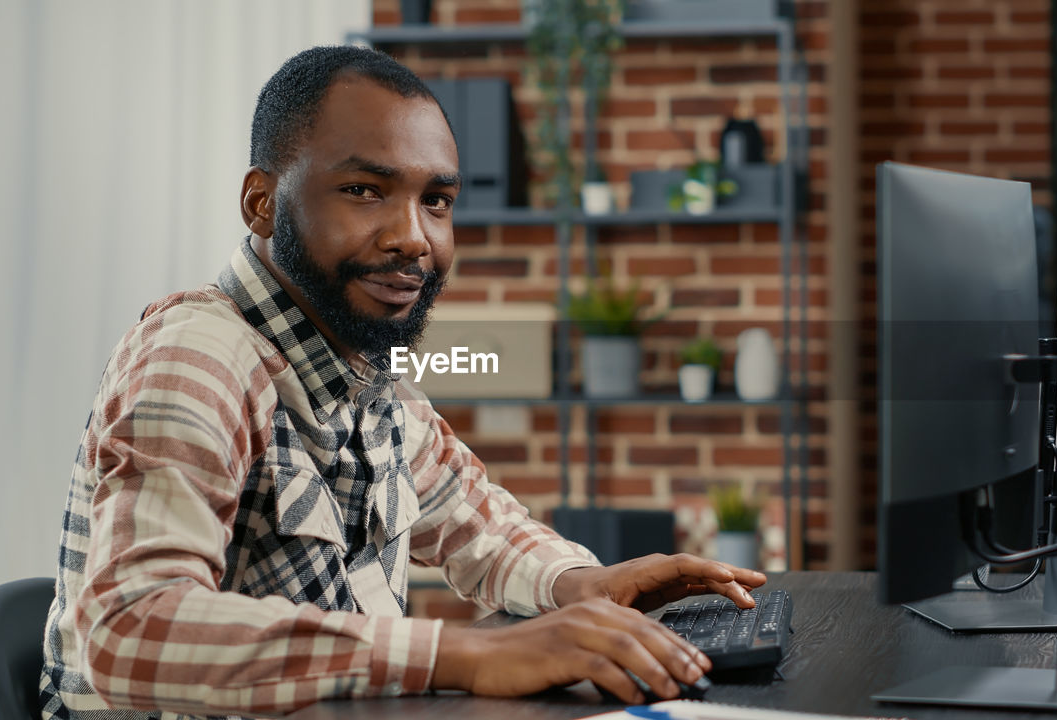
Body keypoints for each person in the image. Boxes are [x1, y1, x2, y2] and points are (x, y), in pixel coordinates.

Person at [39, 45, 766, 720]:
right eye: (364, 190)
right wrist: (467, 652)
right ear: (262, 202)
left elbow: (483, 529)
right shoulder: (197, 357)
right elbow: (128, 626)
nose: (413, 236)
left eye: (436, 201)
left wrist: (587, 586)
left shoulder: (364, 375)